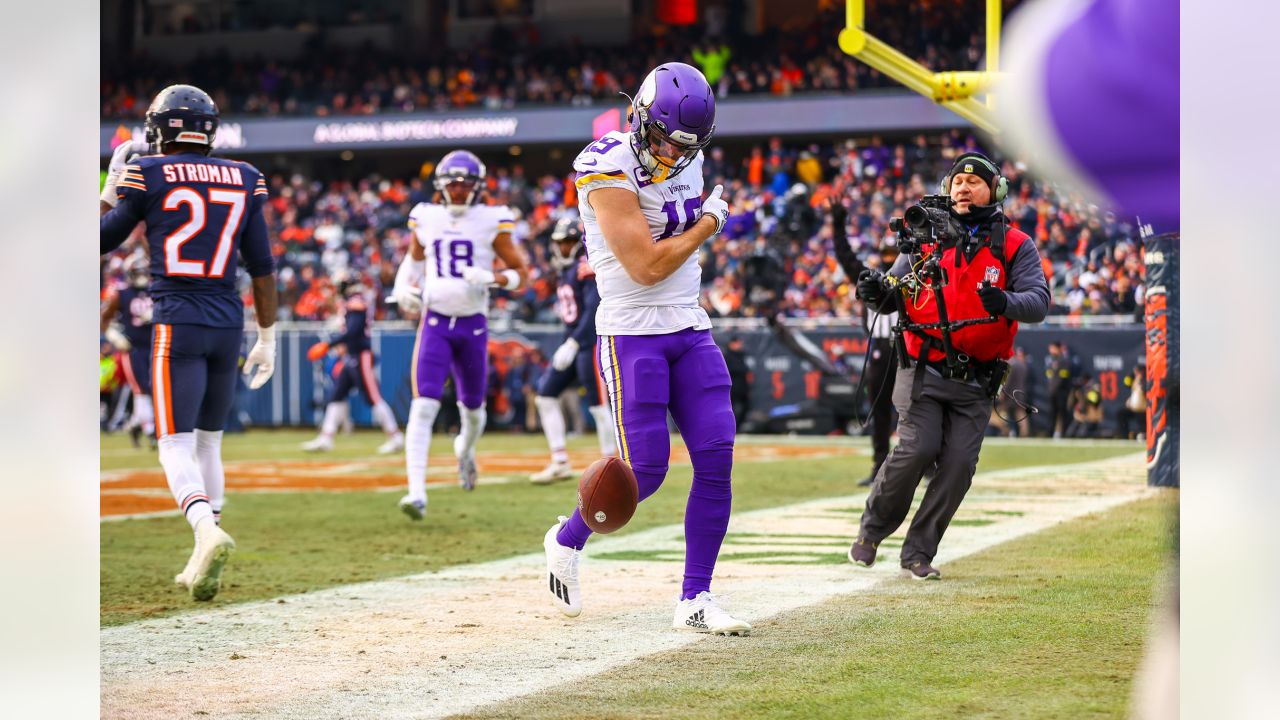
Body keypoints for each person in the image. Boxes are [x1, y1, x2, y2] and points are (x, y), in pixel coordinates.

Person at [541, 62, 747, 635]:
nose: (671, 155)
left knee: (716, 457)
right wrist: (709, 223)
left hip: (690, 324)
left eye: (684, 147)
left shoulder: (689, 154)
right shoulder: (603, 164)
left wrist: (700, 223)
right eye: (660, 140)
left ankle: (696, 598)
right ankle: (566, 539)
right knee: (646, 472)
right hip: (633, 328)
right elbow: (646, 266)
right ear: (638, 115)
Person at [100, 84, 279, 601]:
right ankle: (201, 554)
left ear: (159, 129)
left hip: (177, 321)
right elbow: (263, 267)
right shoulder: (245, 177)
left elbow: (101, 237)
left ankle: (204, 528)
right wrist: (266, 338)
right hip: (229, 324)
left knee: (173, 442)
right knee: (209, 441)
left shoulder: (149, 171)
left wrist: (112, 186)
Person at [847, 152, 1050, 580]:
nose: (963, 187)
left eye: (974, 182)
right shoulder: (924, 237)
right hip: (923, 366)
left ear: (996, 191)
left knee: (958, 465)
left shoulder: (1016, 245)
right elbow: (893, 294)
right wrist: (872, 290)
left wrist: (1006, 302)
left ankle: (918, 552)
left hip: (977, 380)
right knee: (917, 448)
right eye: (957, 180)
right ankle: (872, 530)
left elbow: (1038, 302)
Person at [391, 149, 529, 519]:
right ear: (439, 186)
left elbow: (521, 272)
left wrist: (495, 278)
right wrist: (403, 285)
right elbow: (414, 259)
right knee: (423, 406)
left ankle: (464, 450)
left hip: (473, 325)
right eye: (451, 184)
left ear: (477, 187)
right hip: (435, 321)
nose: (456, 190)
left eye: (464, 183)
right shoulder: (426, 216)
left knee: (473, 412)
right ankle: (416, 493)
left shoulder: (491, 219)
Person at [529, 215, 617, 484]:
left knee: (598, 405)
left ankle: (611, 466)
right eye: (560, 242)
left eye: (568, 242)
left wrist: (574, 341)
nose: (562, 247)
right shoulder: (564, 270)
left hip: (589, 342)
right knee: (545, 395)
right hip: (573, 342)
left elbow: (593, 311)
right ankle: (559, 461)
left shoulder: (586, 267)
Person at [830, 199, 899, 486]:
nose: (888, 256)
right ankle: (880, 466)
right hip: (881, 351)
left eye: (893, 251)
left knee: (918, 412)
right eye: (885, 251)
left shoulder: (915, 275)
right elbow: (846, 258)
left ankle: (929, 466)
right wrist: (837, 226)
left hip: (908, 348)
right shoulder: (871, 277)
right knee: (879, 412)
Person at [301, 277, 405, 454]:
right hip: (350, 357)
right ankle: (326, 438)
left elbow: (353, 331)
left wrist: (329, 345)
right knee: (337, 395)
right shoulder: (353, 302)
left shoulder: (356, 302)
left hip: (360, 355)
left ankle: (395, 437)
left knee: (373, 397)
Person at [101, 251, 156, 448]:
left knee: (154, 387)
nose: (141, 275)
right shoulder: (122, 292)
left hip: (156, 345)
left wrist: (158, 313)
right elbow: (103, 319)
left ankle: (136, 424)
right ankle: (150, 430)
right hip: (133, 348)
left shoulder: (155, 291)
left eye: (143, 271)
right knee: (141, 387)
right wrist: (116, 337)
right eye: (137, 271)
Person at [723, 335, 751, 430]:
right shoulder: (727, 356)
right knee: (731, 409)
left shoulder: (741, 355)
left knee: (746, 406)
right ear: (732, 344)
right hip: (732, 387)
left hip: (742, 387)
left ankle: (736, 428)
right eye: (737, 343)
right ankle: (729, 428)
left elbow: (745, 371)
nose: (740, 345)